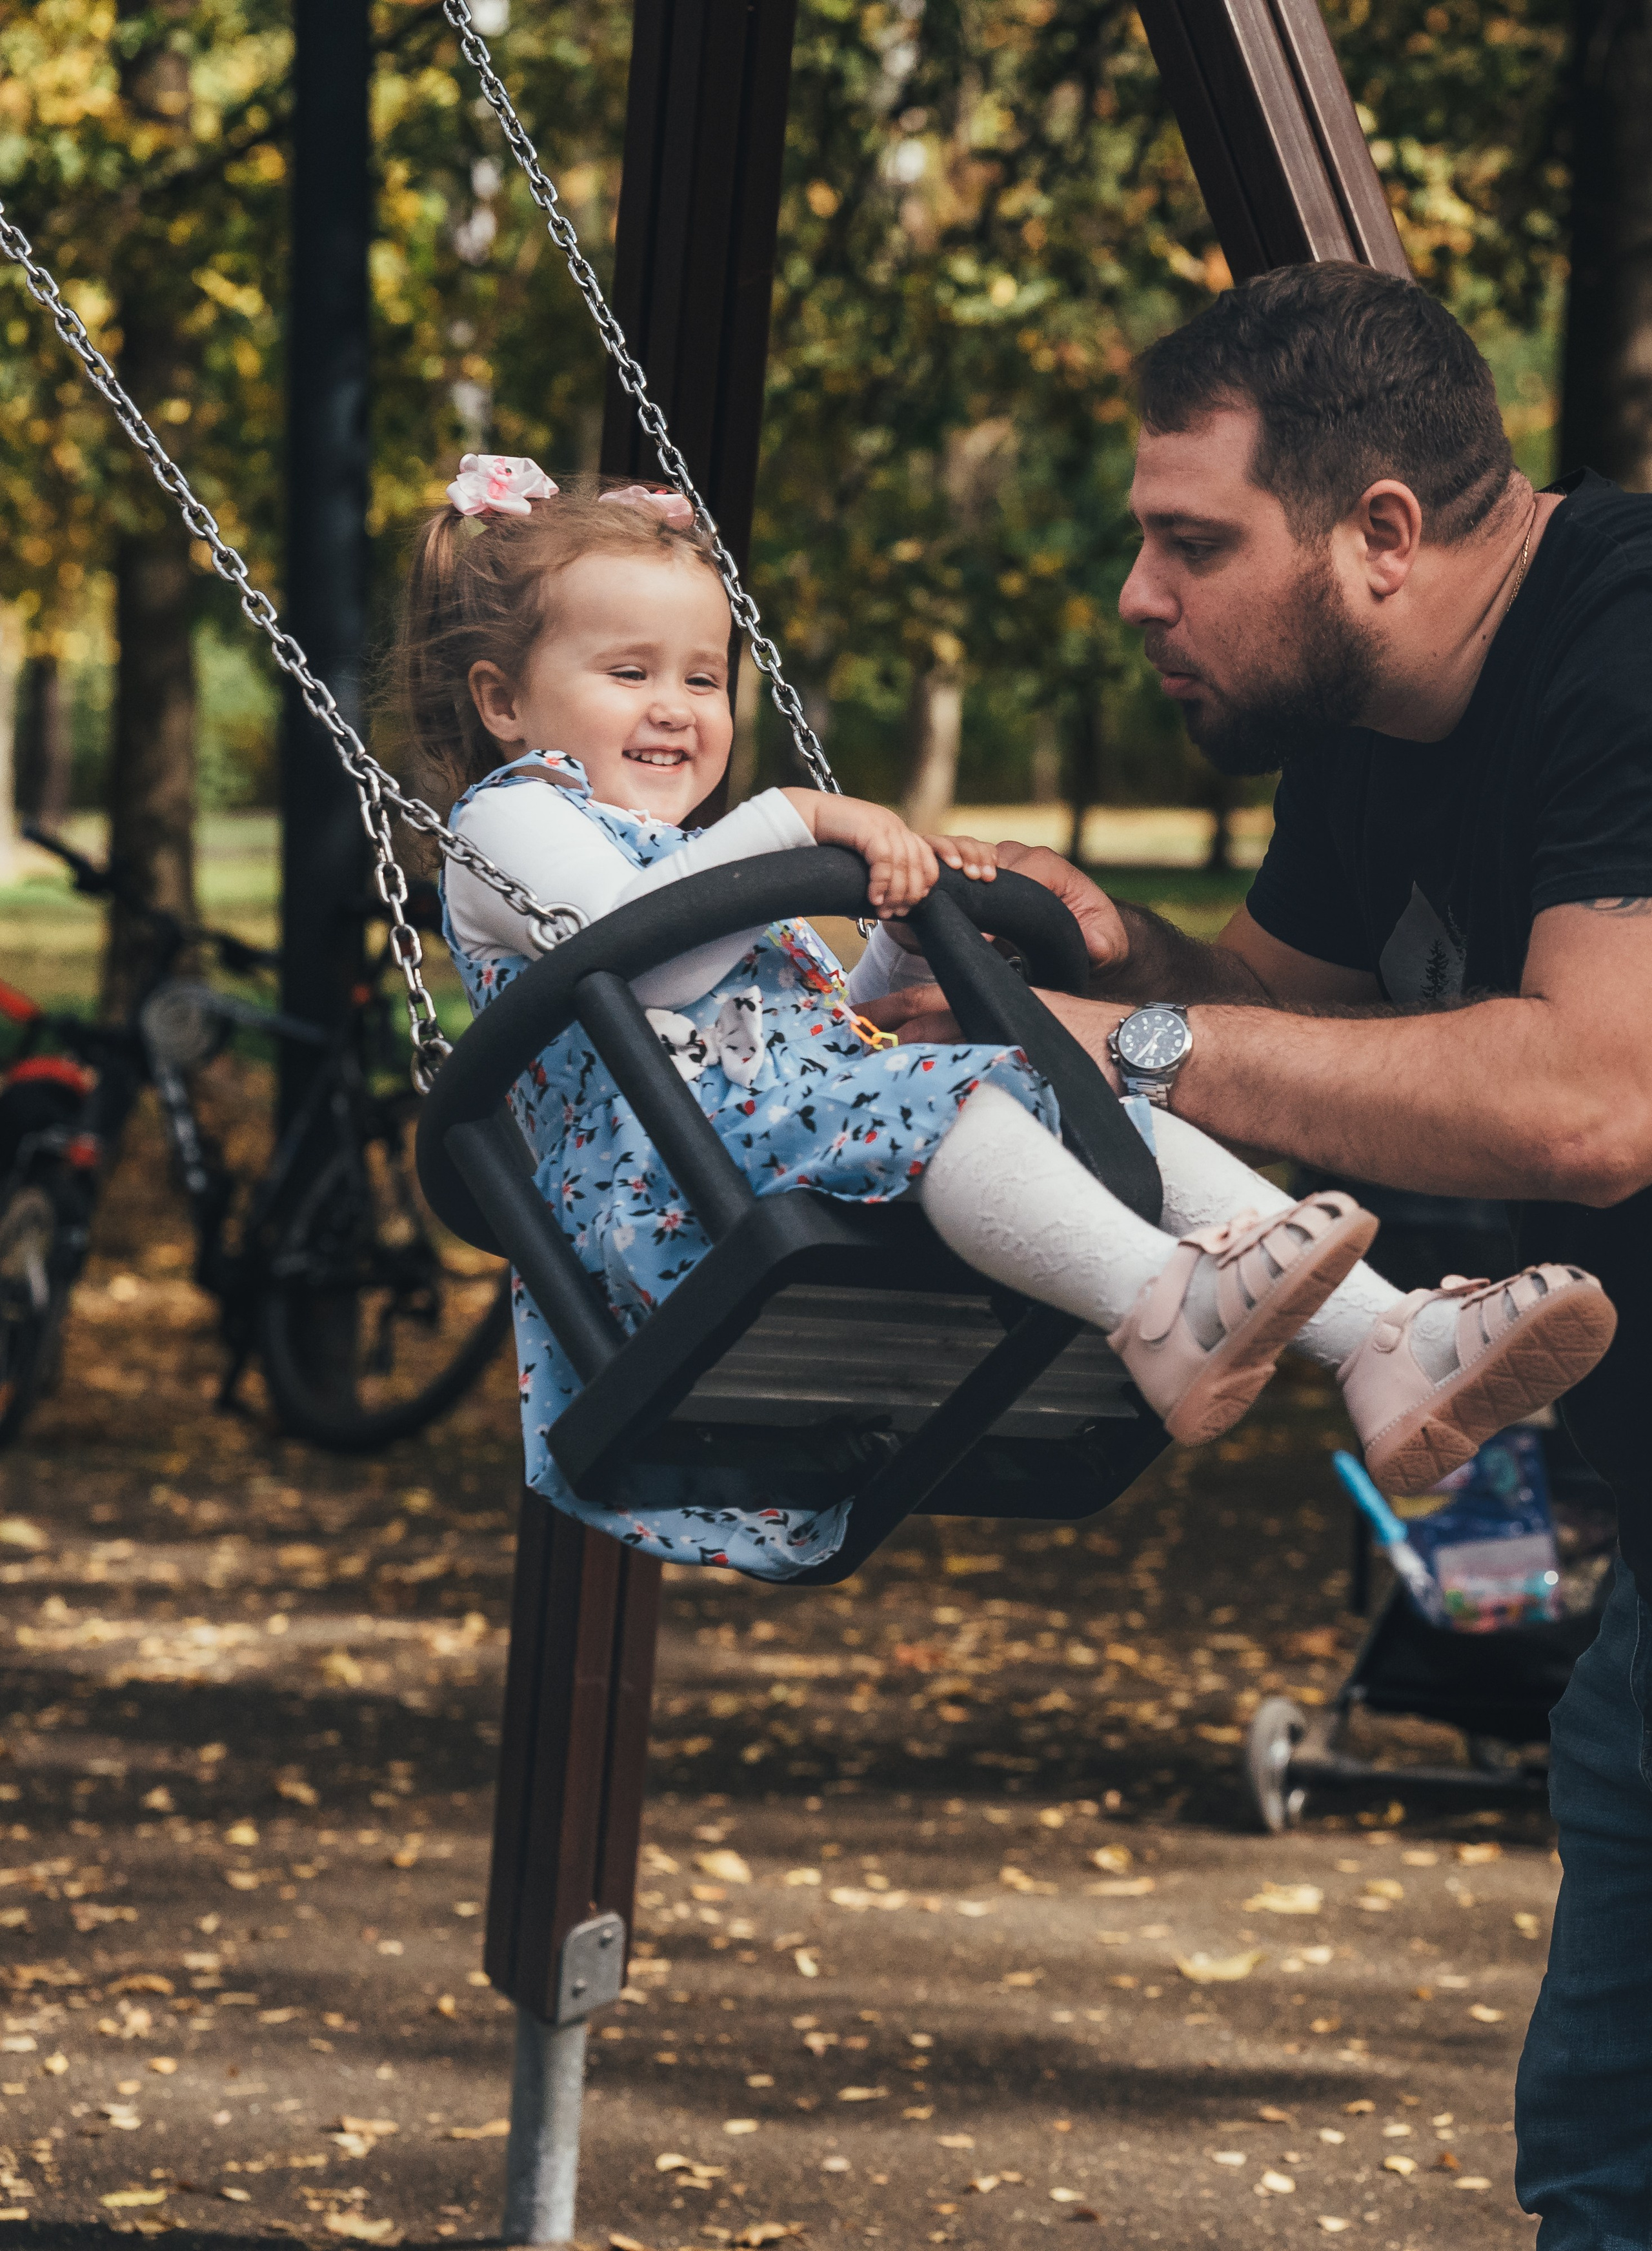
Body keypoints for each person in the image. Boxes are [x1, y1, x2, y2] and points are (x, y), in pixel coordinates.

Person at [863, 261, 1652, 2248]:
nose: (1140, 593)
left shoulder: (1629, 636)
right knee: (1605, 2158)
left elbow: (1595, 1101)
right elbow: (1284, 1041)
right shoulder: (1373, 725)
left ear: (1380, 534)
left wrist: (1126, 1042)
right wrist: (1120, 956)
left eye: (1188, 542)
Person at [390, 458, 1608, 1584]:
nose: (676, 710)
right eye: (628, 673)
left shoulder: (688, 850)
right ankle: (1159, 1303)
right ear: (504, 701)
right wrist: (791, 821)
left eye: (703, 678)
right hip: (664, 1204)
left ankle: (1389, 1344)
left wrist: (902, 947)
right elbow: (638, 966)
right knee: (956, 1096)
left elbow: (813, 1031)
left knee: (1074, 1085)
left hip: (758, 1152)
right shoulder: (510, 820)